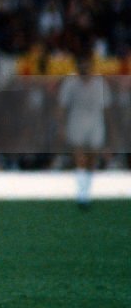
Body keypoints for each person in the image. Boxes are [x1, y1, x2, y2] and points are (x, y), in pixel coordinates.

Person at [57, 52, 112, 209]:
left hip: (96, 123)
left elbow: (106, 108)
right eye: (81, 64)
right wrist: (61, 126)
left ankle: (87, 190)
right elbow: (62, 106)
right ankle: (82, 194)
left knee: (92, 159)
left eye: (86, 63)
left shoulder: (100, 83)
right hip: (76, 122)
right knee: (79, 156)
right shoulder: (70, 82)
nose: (84, 67)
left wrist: (109, 129)